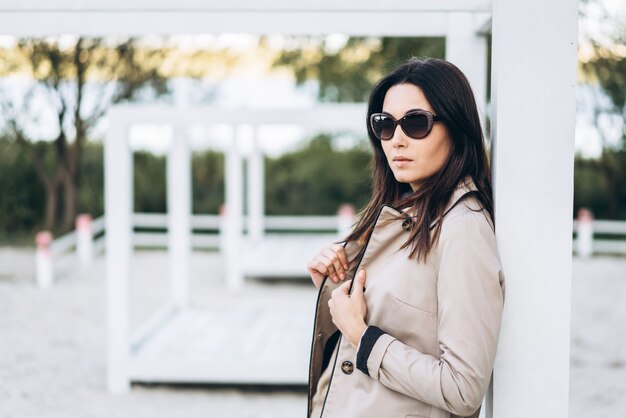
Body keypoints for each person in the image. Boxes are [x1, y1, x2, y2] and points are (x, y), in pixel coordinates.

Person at [305, 57, 506, 418]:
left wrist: (363, 338)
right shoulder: (403, 216)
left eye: (416, 123)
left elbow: (463, 388)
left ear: (456, 128)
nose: (396, 140)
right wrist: (337, 285)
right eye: (384, 125)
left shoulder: (463, 228)